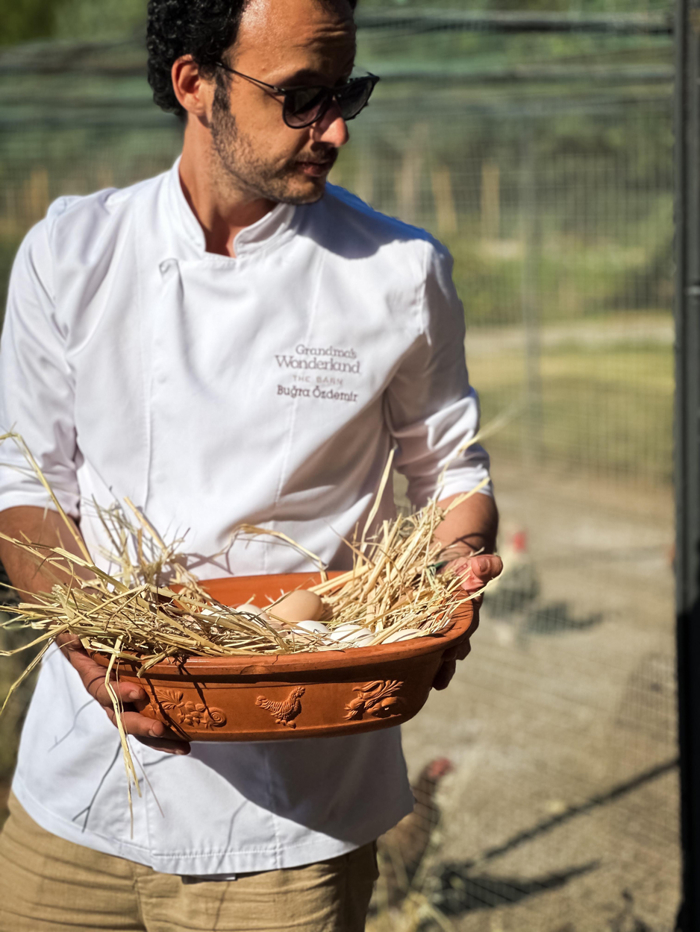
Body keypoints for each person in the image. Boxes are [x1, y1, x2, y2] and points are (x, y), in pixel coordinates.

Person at [0, 0, 502, 928]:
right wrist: (90, 640)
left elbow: (450, 476)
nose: (335, 129)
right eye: (301, 96)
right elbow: (26, 489)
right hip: (78, 794)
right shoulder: (71, 254)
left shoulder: (397, 271)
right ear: (196, 83)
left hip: (289, 822)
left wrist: (447, 580)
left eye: (347, 92)